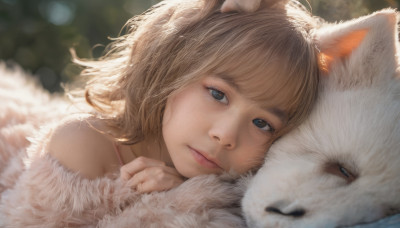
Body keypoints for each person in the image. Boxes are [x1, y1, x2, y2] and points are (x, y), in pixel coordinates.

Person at [49, 0, 319, 194]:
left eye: (262, 124)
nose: (225, 135)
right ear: (172, 65)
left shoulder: (232, 198)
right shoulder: (82, 144)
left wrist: (184, 200)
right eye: (218, 94)